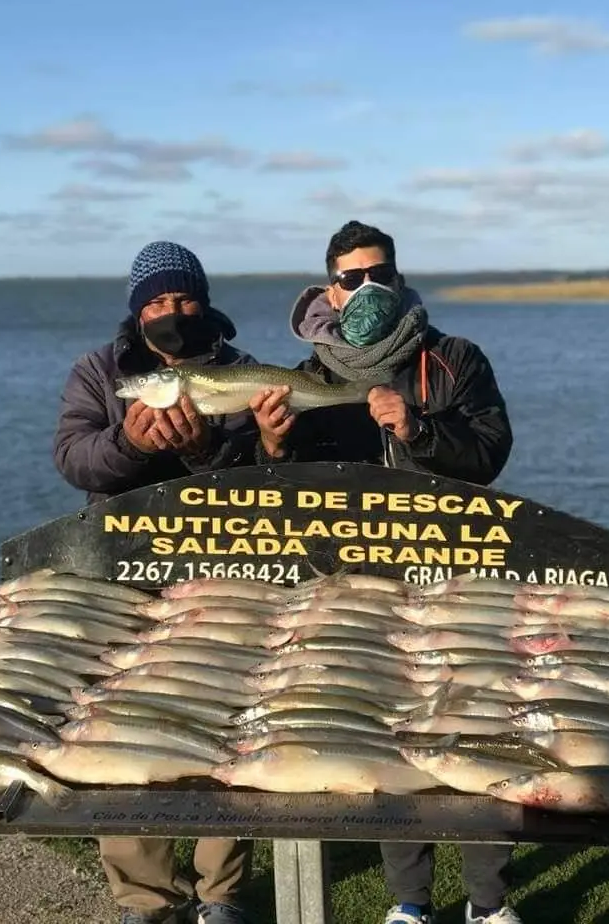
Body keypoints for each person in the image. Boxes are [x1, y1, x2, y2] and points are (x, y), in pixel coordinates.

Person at [249, 220, 520, 924]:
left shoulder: (454, 359)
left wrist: (418, 428)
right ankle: (411, 899)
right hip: (360, 586)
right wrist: (273, 445)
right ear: (328, 291)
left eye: (379, 274)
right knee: (382, 730)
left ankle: (488, 902)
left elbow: (490, 453)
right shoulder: (304, 378)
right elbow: (284, 501)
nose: (365, 288)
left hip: (453, 573)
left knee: (476, 719)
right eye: (350, 278)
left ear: (397, 280)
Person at [53, 241, 256, 924]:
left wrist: (204, 452)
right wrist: (132, 445)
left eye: (183, 299)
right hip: (122, 570)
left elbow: (264, 483)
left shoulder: (241, 374)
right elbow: (74, 458)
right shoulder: (99, 372)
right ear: (137, 312)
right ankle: (145, 897)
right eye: (157, 303)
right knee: (121, 721)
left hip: (219, 569)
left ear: (204, 301)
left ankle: (221, 891)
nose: (172, 313)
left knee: (224, 715)